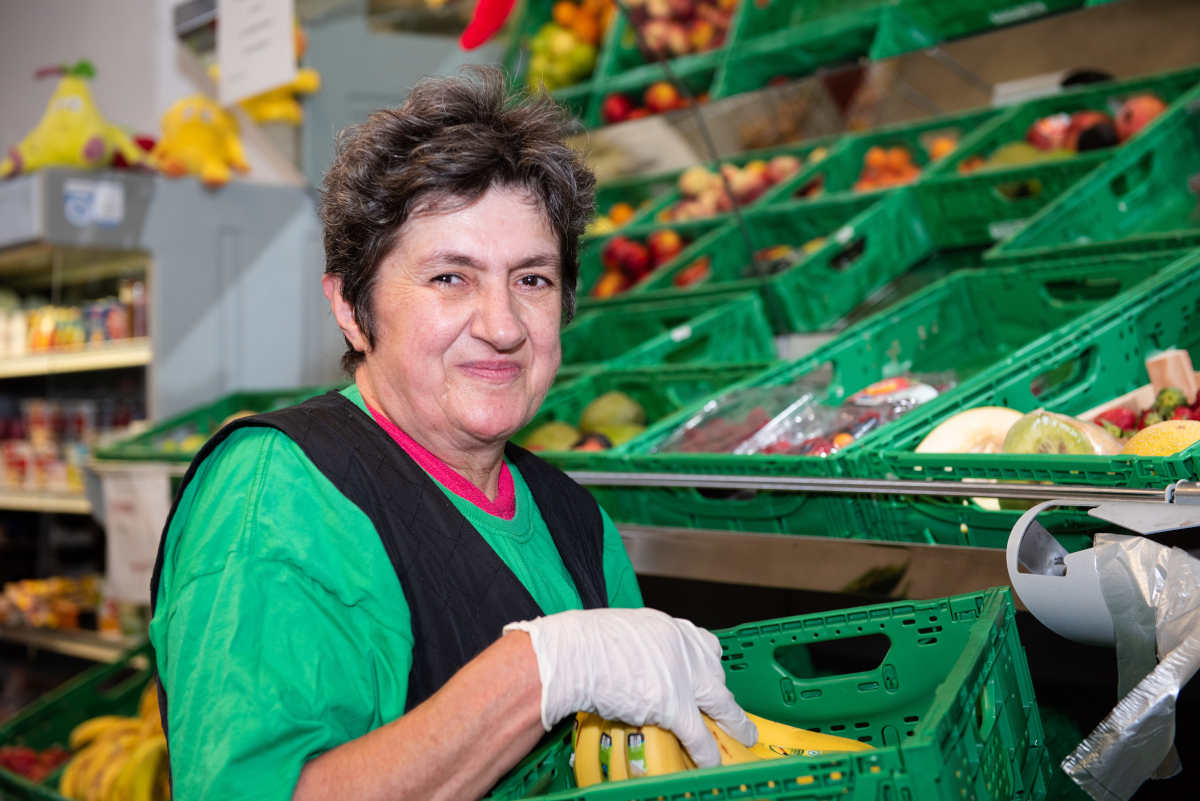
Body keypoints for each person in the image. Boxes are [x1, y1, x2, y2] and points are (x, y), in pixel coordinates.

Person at [148, 66, 756, 801]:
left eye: (532, 279)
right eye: (450, 278)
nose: (502, 326)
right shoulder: (278, 494)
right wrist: (535, 672)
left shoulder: (575, 522)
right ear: (350, 306)